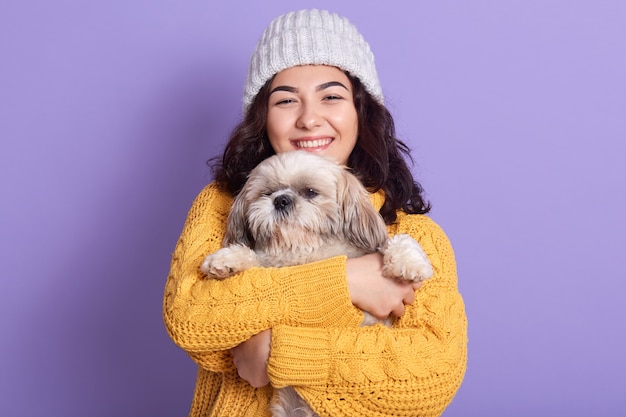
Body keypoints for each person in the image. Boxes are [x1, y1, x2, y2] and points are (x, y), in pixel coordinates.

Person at [163, 9, 467, 417]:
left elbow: (430, 376)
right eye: (286, 100)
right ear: (262, 117)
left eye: (331, 96)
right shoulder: (221, 206)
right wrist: (343, 282)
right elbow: (191, 319)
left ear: (361, 110)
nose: (308, 119)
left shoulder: (416, 237)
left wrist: (275, 350)